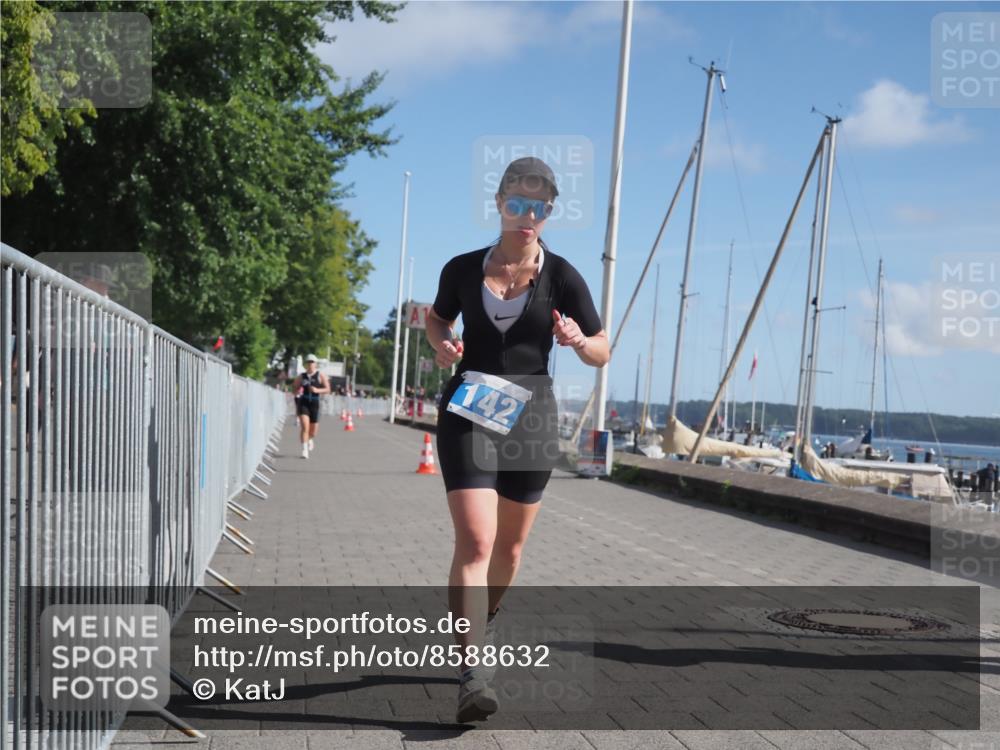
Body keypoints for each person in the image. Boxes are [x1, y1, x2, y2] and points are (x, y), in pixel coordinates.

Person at [425, 156, 610, 723]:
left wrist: (579, 340)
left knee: (508, 550)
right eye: (519, 202)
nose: (528, 215)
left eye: (541, 207)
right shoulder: (461, 268)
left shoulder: (562, 276)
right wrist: (443, 344)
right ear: (500, 202)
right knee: (477, 544)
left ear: (549, 212)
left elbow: (603, 348)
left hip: (533, 416)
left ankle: (484, 616)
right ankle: (472, 670)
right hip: (470, 409)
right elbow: (436, 319)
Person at [292, 354, 330, 459]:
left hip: (315, 403)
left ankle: (310, 439)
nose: (310, 364)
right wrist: (296, 390)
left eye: (312, 362)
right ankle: (304, 450)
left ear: (316, 364)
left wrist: (317, 390)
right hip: (303, 402)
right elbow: (294, 387)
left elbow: (327, 389)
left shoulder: (320, 375)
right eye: (308, 362)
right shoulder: (301, 376)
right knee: (305, 426)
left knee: (313, 432)